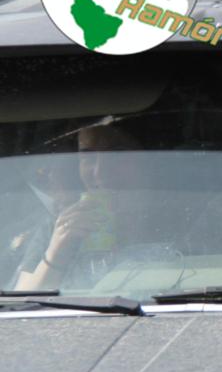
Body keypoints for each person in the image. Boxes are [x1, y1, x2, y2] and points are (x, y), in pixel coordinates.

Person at [10, 124, 143, 292]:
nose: (100, 173)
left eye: (117, 155)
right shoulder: (60, 226)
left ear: (147, 159)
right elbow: (21, 297)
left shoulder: (174, 221)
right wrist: (58, 252)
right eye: (88, 158)